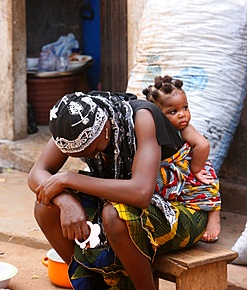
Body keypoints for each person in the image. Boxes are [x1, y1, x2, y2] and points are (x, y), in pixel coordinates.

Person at [28, 91, 208, 290]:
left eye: (92, 151)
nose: (92, 156)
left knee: (115, 214)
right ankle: (95, 283)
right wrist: (65, 202)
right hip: (128, 203)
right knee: (46, 206)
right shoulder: (73, 123)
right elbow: (37, 173)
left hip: (180, 209)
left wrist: (68, 179)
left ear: (105, 129)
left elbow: (141, 193)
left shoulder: (142, 118)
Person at [142, 75, 221, 243]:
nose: (182, 115)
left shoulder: (185, 130)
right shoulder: (151, 128)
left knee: (207, 183)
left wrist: (196, 169)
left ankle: (214, 216)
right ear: (157, 115)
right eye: (173, 111)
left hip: (190, 165)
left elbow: (203, 145)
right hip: (170, 171)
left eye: (185, 108)